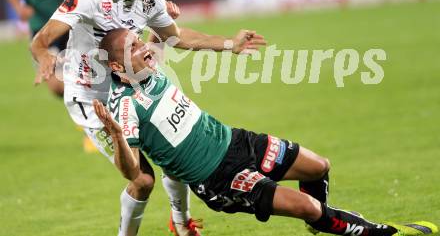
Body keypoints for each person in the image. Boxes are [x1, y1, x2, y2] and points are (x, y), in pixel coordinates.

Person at [30, 0, 267, 236]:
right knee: (142, 181)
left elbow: (176, 37)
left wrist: (229, 44)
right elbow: (41, 39)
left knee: (176, 147)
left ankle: (181, 224)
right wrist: (45, 57)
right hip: (94, 100)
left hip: (134, 86)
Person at [93, 28, 438, 236]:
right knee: (308, 207)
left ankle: (322, 224)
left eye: (139, 42)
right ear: (115, 65)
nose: (143, 49)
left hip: (236, 141)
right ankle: (383, 232)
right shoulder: (124, 107)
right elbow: (132, 172)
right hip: (218, 178)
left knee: (319, 166)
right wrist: (118, 137)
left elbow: (169, 38)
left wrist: (221, 39)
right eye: (133, 47)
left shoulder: (147, 66)